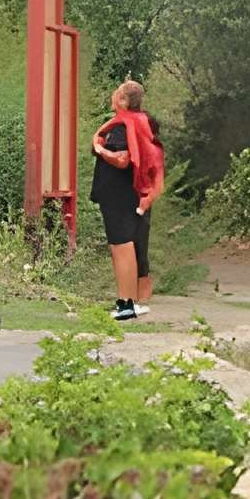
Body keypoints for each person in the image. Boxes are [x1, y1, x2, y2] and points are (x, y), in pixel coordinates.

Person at [91, 81, 164, 322]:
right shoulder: (142, 121)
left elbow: (123, 159)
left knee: (120, 246)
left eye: (117, 92)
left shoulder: (124, 125)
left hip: (120, 193)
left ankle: (126, 303)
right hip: (132, 192)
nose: (113, 94)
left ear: (123, 101)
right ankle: (133, 301)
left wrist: (100, 150)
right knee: (130, 245)